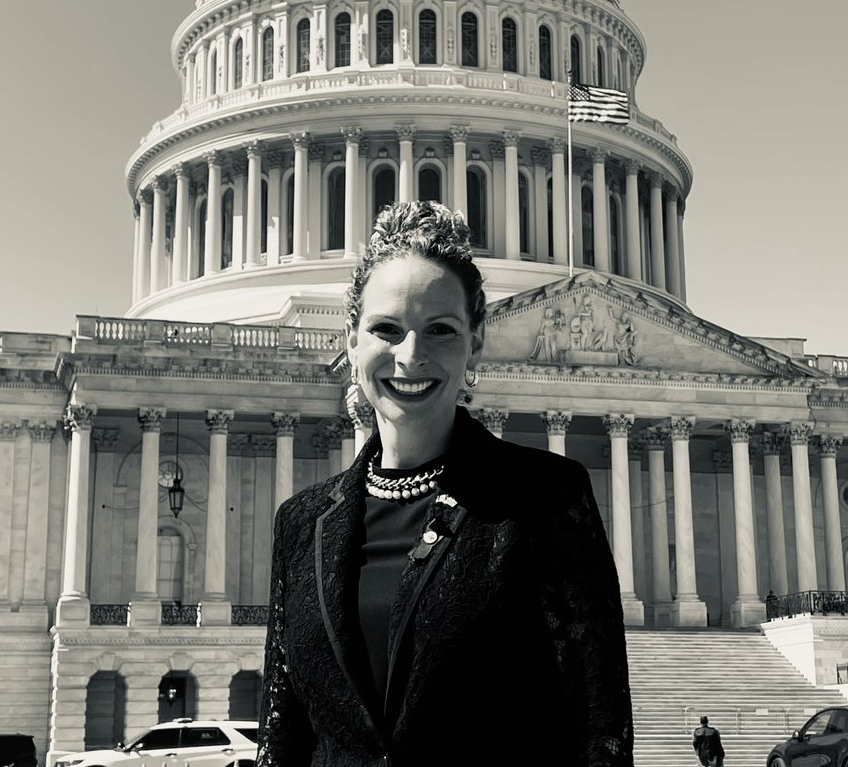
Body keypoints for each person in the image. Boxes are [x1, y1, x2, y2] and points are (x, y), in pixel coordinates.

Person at [258, 200, 634, 766]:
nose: (411, 356)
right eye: (386, 329)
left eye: (439, 329)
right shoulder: (302, 523)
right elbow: (282, 736)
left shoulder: (545, 500)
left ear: (475, 340)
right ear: (352, 340)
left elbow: (598, 732)